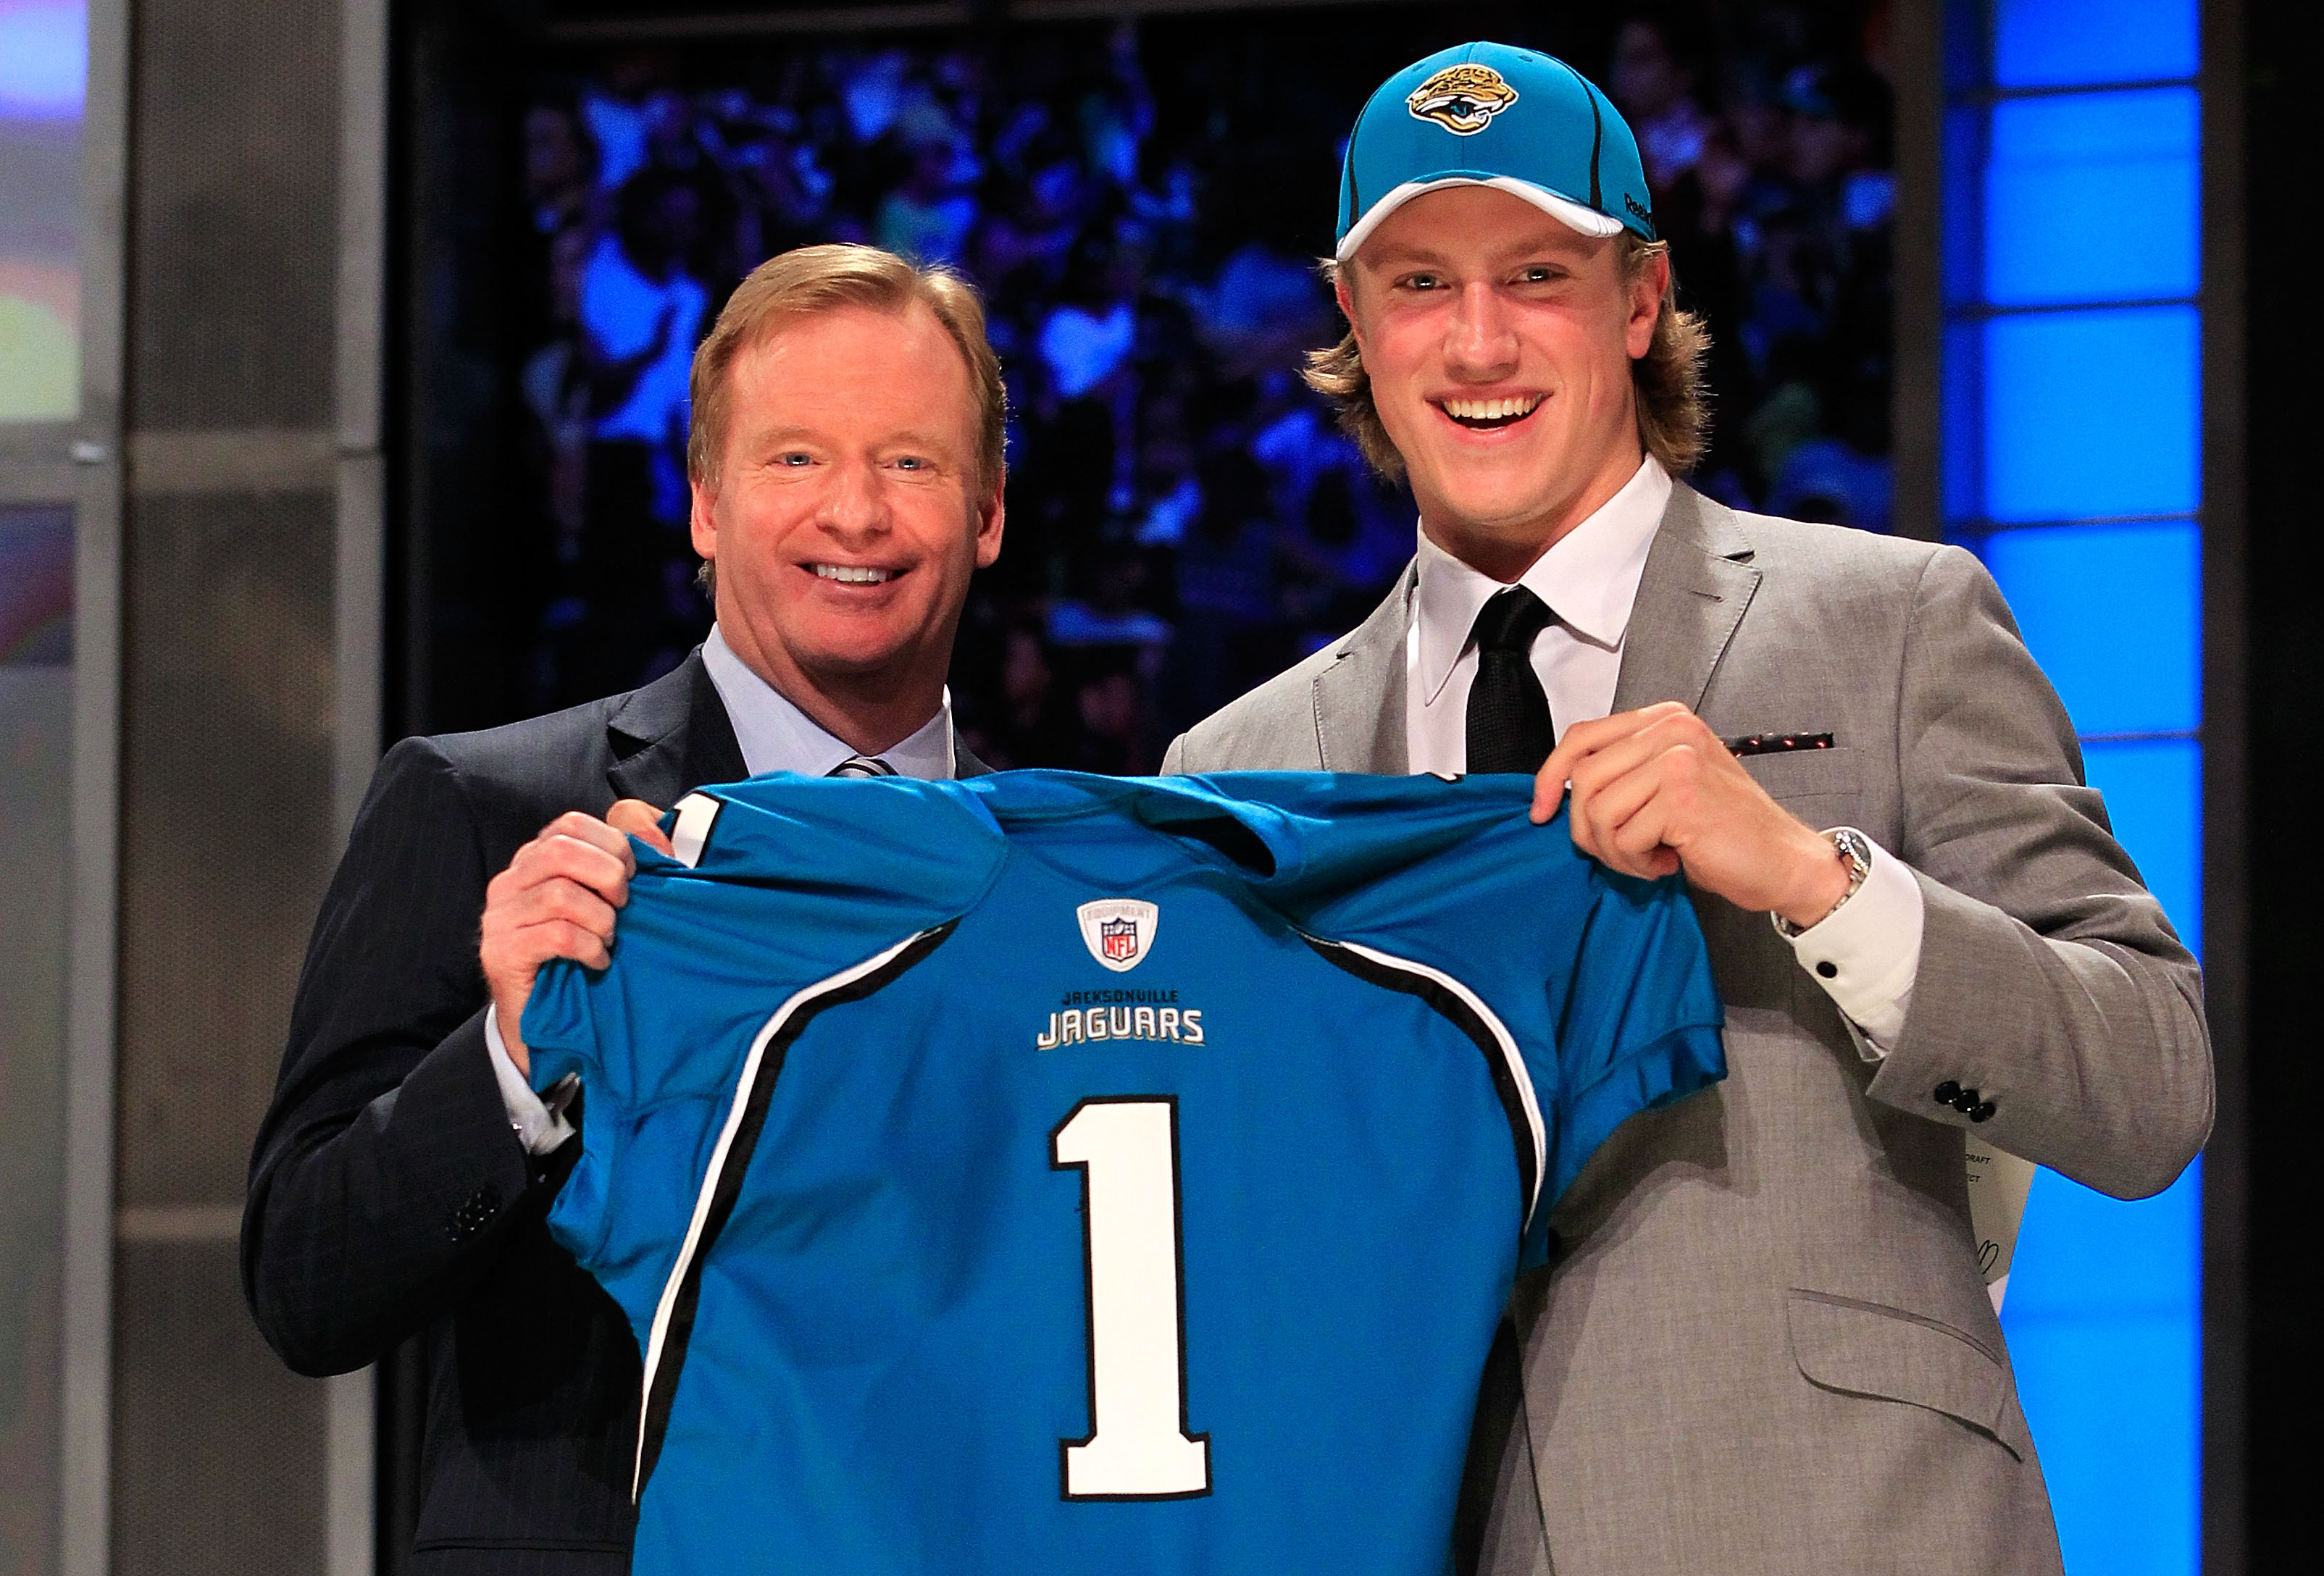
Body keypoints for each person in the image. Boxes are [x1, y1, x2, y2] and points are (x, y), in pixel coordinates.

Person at [1161, 43, 2210, 1576]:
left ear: (1640, 300)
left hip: (1843, 1526)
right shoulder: (1234, 763)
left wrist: (1812, 875)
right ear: (1353, 322)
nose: (1477, 343)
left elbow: (2150, 1077)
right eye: (1420, 285)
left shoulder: (1898, 618)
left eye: (1535, 273)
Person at [242, 243, 1006, 1574]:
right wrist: (508, 1064)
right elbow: (309, 1286)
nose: (857, 515)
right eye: (794, 459)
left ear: (989, 510)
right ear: (704, 505)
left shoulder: (1057, 870)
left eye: (911, 461)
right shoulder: (481, 808)